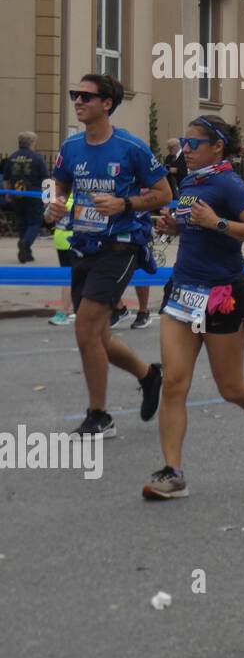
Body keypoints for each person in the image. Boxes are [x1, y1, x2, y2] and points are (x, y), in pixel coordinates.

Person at [142, 117, 244, 499]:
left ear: (217, 146)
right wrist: (177, 226)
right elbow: (198, 225)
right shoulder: (191, 180)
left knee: (231, 388)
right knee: (174, 383)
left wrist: (217, 222)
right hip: (182, 291)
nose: (185, 150)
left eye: (194, 143)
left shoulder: (228, 183)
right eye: (184, 144)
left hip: (223, 294)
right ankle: (172, 472)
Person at [46, 74, 169, 438]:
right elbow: (61, 183)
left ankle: (99, 416)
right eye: (75, 95)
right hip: (85, 243)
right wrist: (54, 205)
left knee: (85, 327)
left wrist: (125, 203)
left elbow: (163, 192)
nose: (78, 101)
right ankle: (149, 375)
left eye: (86, 96)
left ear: (107, 104)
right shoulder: (70, 148)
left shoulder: (131, 147)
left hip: (123, 244)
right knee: (97, 336)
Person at [4, 131, 49, 263]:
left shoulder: (11, 157)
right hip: (33, 195)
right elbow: (46, 179)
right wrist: (48, 197)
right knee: (35, 223)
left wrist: (8, 193)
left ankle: (26, 253)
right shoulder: (37, 158)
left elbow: (6, 179)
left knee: (22, 223)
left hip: (17, 195)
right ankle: (25, 243)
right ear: (32, 143)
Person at [48, 192, 74, 325]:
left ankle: (64, 312)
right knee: (72, 278)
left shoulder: (81, 194)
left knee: (69, 279)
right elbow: (47, 218)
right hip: (60, 243)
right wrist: (51, 208)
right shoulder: (61, 194)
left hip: (74, 243)